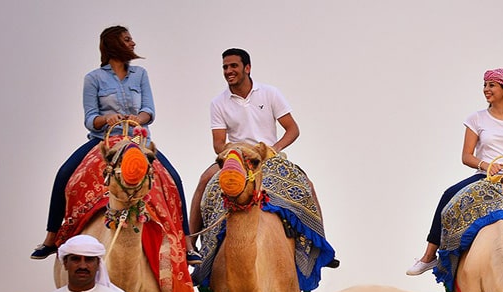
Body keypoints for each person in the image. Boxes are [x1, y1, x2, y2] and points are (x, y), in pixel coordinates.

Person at [30, 26, 194, 262]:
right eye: (127, 39)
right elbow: (90, 119)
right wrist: (106, 119)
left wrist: (140, 118)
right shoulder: (93, 78)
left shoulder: (140, 74)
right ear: (113, 44)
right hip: (103, 141)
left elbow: (149, 110)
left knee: (174, 179)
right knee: (64, 174)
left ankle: (187, 245)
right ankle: (51, 238)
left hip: (139, 140)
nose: (133, 43)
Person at [407, 68, 503, 281]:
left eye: (491, 85)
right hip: (486, 176)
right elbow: (466, 156)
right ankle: (429, 255)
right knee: (448, 195)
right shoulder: (476, 119)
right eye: (485, 85)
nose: (486, 89)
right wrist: (486, 164)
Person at [188, 48, 300, 241]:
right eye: (225, 67)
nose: (228, 71)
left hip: (267, 156)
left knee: (306, 184)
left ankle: (322, 242)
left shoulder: (270, 93)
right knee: (204, 180)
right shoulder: (218, 103)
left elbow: (292, 129)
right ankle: (190, 241)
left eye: (233, 66)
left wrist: (275, 149)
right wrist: (235, 152)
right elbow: (218, 144)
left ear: (247, 68)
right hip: (236, 157)